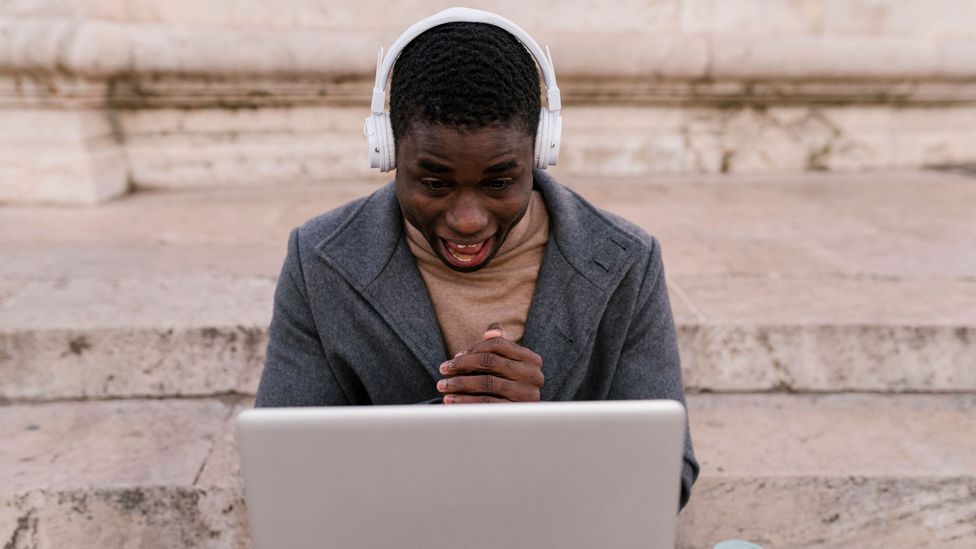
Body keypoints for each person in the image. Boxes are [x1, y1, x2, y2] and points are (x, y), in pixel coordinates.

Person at [254, 8, 698, 509]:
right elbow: (284, 470)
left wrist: (542, 424)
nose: (467, 219)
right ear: (387, 152)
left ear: (540, 153)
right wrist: (451, 421)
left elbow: (668, 474)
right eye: (435, 183)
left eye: (500, 183)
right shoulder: (319, 259)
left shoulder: (626, 261)